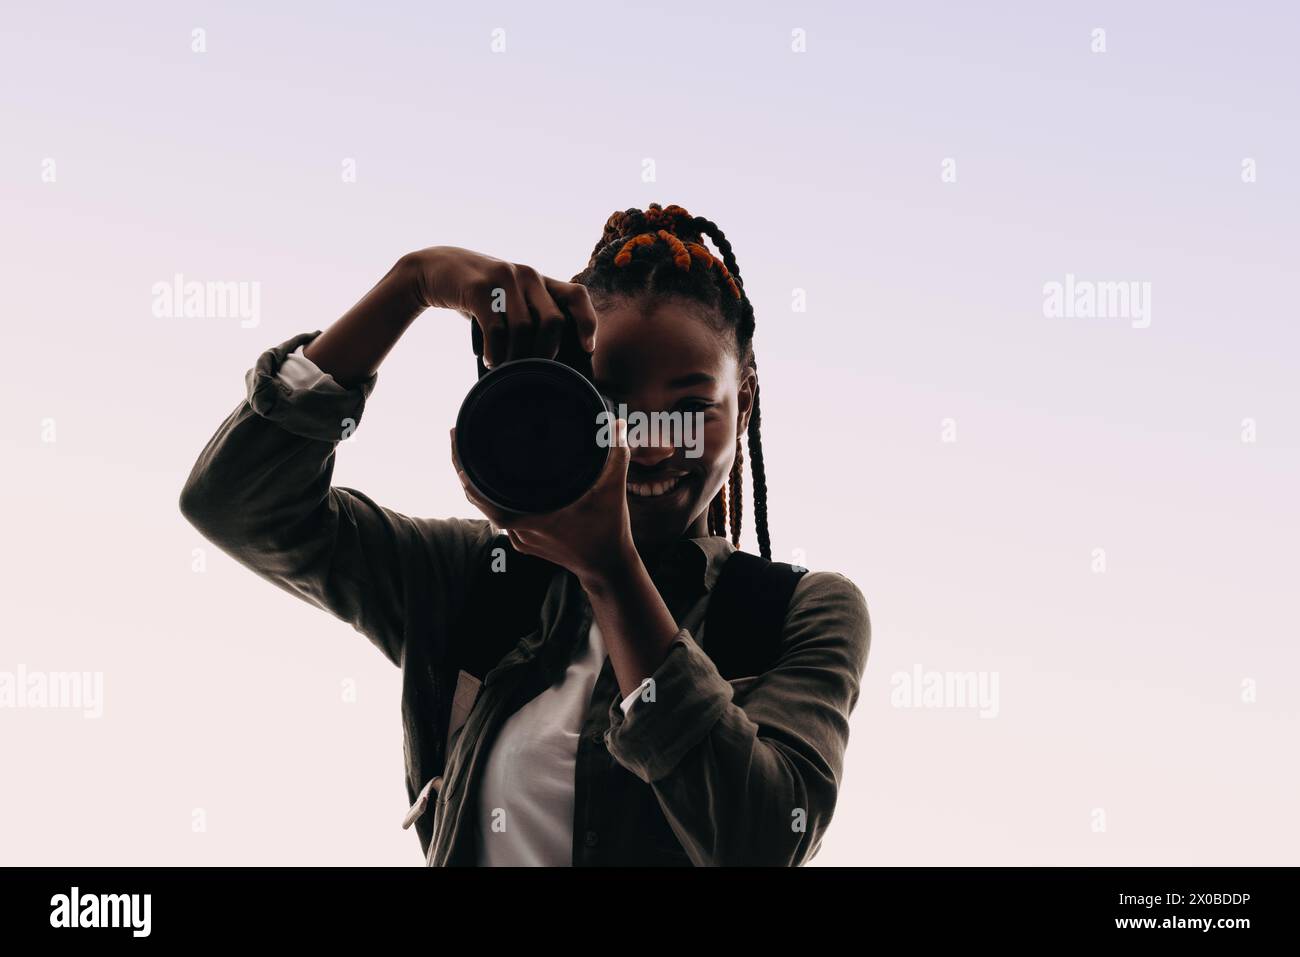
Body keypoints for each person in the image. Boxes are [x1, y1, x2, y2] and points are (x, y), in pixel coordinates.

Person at [179, 203, 871, 866]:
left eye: (690, 407)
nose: (650, 445)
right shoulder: (475, 578)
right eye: (612, 403)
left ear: (743, 402)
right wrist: (412, 283)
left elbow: (761, 839)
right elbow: (237, 503)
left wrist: (612, 570)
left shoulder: (798, 614)